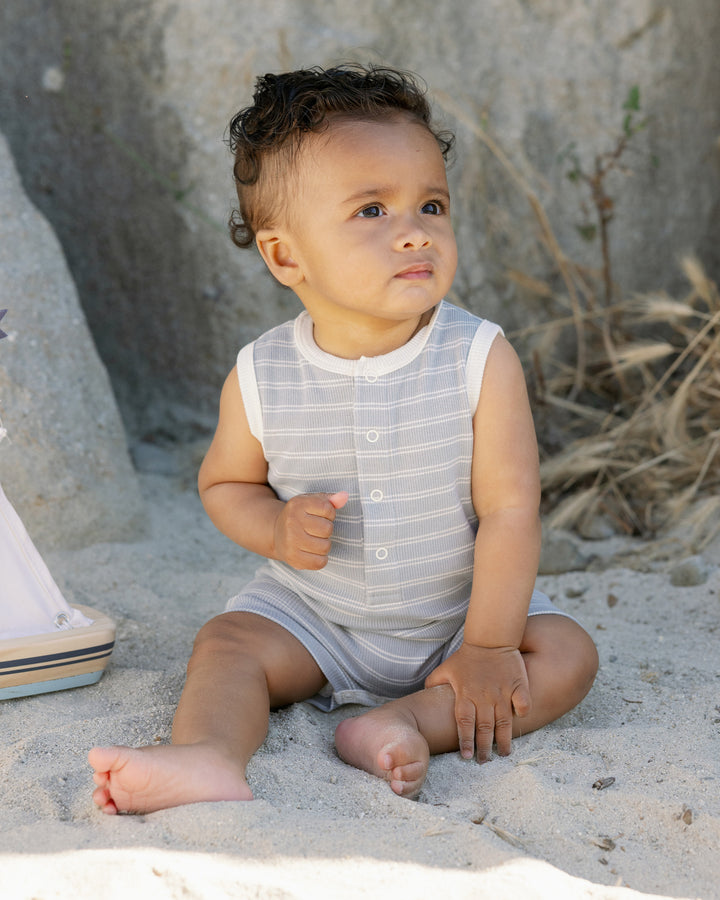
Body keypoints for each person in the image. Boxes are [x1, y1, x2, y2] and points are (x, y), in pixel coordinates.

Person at [88, 64, 598, 814]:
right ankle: (209, 754)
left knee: (565, 656)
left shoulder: (478, 356)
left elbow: (512, 508)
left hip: (460, 614)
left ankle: (404, 721)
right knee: (227, 643)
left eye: (431, 204)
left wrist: (488, 648)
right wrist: (275, 527)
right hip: (315, 619)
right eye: (372, 211)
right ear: (286, 256)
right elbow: (225, 484)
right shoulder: (262, 374)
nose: (415, 229)